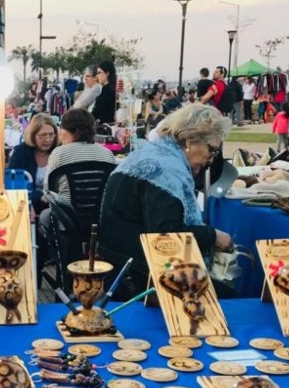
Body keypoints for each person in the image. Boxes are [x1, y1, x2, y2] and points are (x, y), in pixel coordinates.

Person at [98, 104, 233, 298]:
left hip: (121, 261)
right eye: (211, 151)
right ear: (190, 141)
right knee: (232, 301)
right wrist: (213, 236)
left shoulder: (155, 153)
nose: (209, 160)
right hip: (135, 276)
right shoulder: (166, 170)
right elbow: (167, 235)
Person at [46, 108, 117, 200]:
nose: (59, 134)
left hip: (66, 209)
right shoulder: (108, 154)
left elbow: (48, 189)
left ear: (75, 131)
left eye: (61, 128)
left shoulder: (59, 154)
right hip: (101, 209)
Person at [6, 113, 57, 214]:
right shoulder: (20, 152)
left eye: (51, 134)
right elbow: (13, 184)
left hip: (54, 209)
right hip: (26, 207)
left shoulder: (59, 151)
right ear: (33, 135)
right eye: (43, 135)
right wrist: (39, 197)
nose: (48, 139)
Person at [91, 61, 117, 125]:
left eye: (99, 73)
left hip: (104, 126)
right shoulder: (111, 88)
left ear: (107, 73)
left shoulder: (107, 90)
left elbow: (99, 111)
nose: (97, 76)